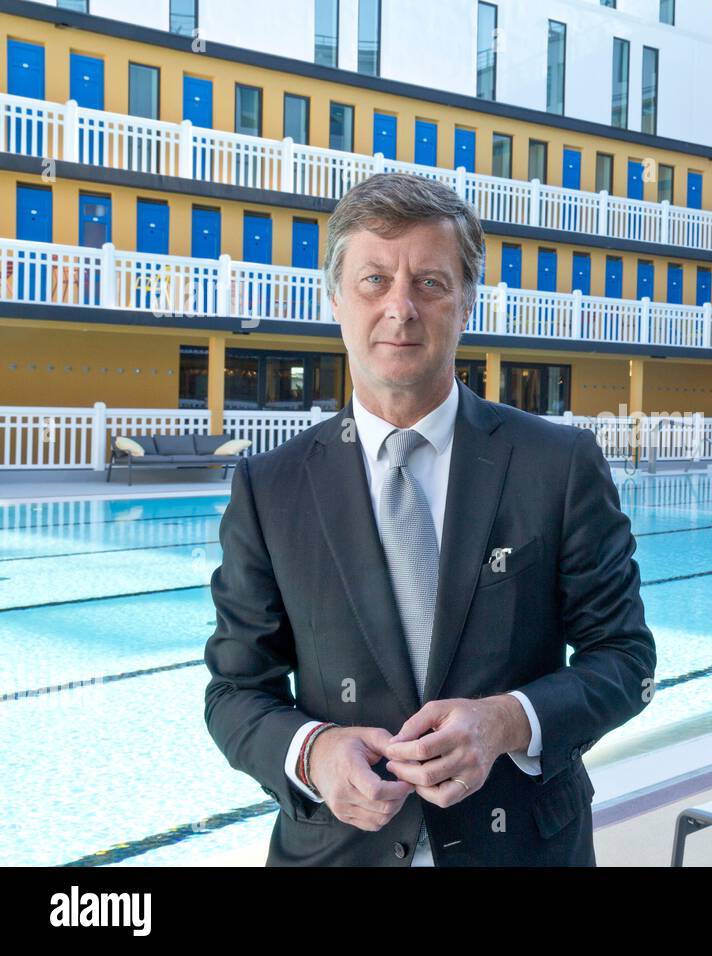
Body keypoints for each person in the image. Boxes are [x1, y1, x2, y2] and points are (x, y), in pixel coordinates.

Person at [204, 172, 656, 866]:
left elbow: (625, 660)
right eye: (374, 281)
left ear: (466, 302)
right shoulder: (272, 487)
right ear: (335, 300)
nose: (401, 308)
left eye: (430, 283)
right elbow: (237, 691)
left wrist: (507, 722)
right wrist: (315, 752)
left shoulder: (556, 465)